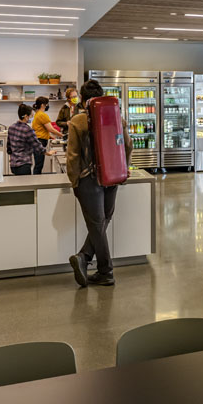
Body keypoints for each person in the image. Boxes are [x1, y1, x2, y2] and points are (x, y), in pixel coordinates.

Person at [66, 78, 132, 287]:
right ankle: (84, 258)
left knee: (96, 223)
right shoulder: (116, 118)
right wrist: (124, 169)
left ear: (83, 99)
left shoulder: (77, 121)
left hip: (88, 179)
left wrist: (74, 180)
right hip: (112, 176)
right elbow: (128, 145)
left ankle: (105, 271)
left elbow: (73, 156)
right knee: (103, 220)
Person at [31, 95, 61, 174]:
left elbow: (41, 129)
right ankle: (36, 183)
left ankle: (36, 183)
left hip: (38, 140)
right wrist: (61, 135)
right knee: (39, 165)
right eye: (47, 104)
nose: (48, 106)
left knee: (38, 164)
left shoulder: (37, 114)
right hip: (40, 141)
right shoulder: (42, 115)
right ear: (42, 105)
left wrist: (49, 136)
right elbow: (50, 129)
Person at [5, 103, 38, 176]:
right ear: (26, 116)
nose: (32, 118)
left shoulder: (11, 127)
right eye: (31, 116)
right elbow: (37, 146)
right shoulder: (27, 130)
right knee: (25, 186)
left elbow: (9, 148)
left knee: (18, 185)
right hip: (24, 164)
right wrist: (48, 152)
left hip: (13, 165)